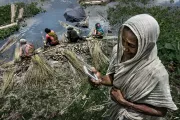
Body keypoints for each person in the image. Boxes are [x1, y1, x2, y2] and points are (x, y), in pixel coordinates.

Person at [89, 14, 177, 120]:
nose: (125, 48)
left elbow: (161, 111)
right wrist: (100, 79)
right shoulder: (118, 51)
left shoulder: (157, 73)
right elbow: (115, 77)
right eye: (122, 40)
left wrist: (125, 103)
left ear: (146, 45)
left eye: (131, 45)